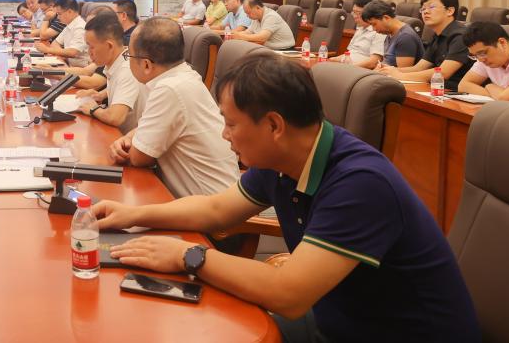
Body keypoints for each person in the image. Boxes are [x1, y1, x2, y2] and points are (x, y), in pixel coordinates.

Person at [94, 54, 480, 343]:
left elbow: (288, 294)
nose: (224, 135)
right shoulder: (283, 158)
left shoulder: (361, 183)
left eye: (231, 123)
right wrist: (133, 214)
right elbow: (216, 209)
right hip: (340, 318)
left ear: (274, 125)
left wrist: (187, 256)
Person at [109, 18, 240, 197]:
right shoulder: (184, 75)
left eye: (129, 56)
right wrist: (129, 137)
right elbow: (150, 127)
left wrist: (127, 145)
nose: (128, 60)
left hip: (207, 205)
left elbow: (139, 158)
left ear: (146, 65)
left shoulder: (169, 89)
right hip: (212, 196)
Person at [377, 0, 473, 91]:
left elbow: (443, 73)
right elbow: (419, 68)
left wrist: (400, 76)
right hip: (437, 90)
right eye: (423, 9)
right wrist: (389, 70)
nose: (425, 12)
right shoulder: (437, 35)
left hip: (457, 93)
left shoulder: (460, 36)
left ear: (450, 11)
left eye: (432, 7)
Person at [74, 13, 142, 133]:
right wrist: (101, 94)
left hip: (126, 138)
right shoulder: (120, 57)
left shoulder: (128, 69)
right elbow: (122, 86)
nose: (89, 52)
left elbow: (115, 118)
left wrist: (93, 109)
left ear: (109, 46)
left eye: (91, 47)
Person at [458, 22, 509, 101]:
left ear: (502, 43)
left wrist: (490, 86)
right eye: (475, 55)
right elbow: (463, 86)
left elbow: (506, 98)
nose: (480, 60)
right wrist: (495, 93)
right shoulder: (483, 57)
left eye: (482, 53)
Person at [361, 0, 424, 68]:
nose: (374, 29)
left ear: (386, 18)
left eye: (374, 24)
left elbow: (401, 72)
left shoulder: (405, 37)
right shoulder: (390, 33)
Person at [332, 0, 386, 69]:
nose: (354, 16)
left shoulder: (379, 32)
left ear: (371, 13)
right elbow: (349, 54)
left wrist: (348, 68)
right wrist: (330, 60)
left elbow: (373, 62)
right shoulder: (360, 29)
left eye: (358, 13)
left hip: (360, 71)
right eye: (353, 12)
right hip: (347, 67)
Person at [34, 0, 89, 67]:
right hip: (68, 64)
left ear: (70, 12)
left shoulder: (80, 27)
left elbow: (73, 52)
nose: (58, 17)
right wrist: (63, 54)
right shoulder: (69, 24)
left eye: (59, 14)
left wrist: (47, 50)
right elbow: (54, 43)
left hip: (80, 69)